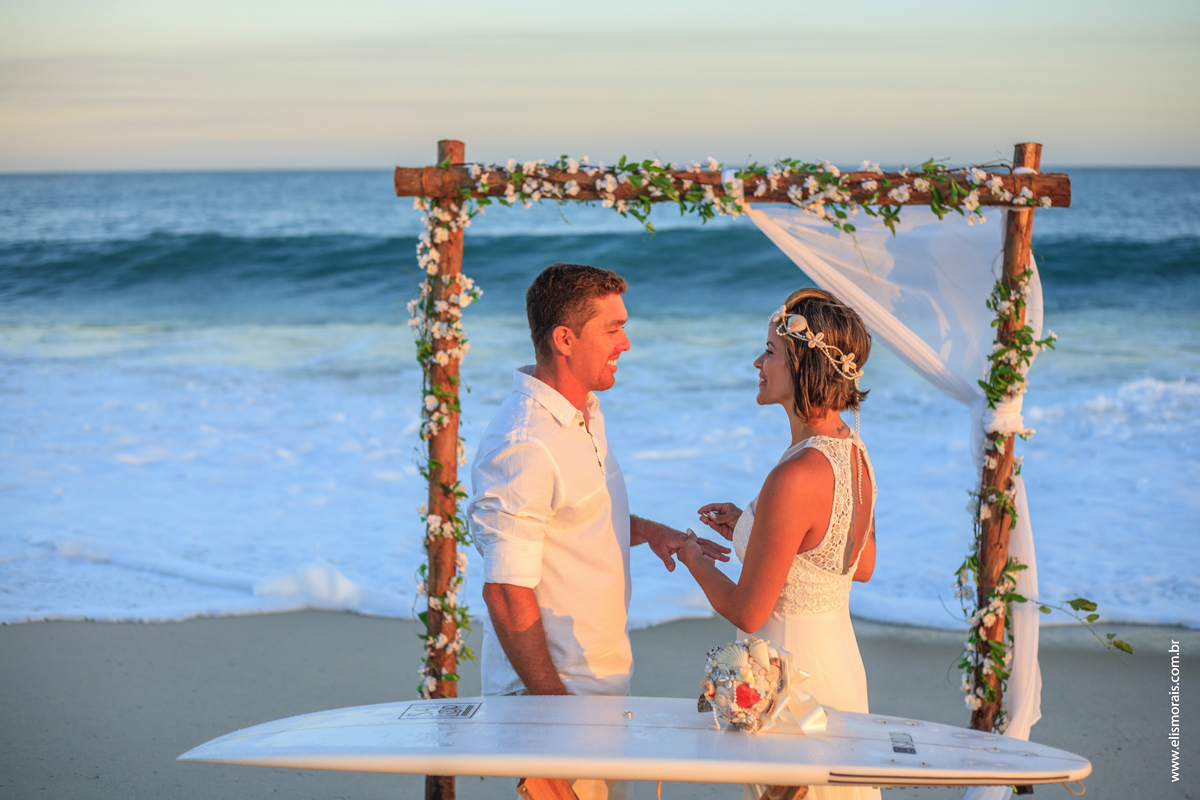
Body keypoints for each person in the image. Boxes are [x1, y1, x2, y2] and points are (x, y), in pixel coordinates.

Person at [467, 262, 729, 800]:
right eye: (612, 329)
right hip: (554, 704)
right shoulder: (524, 444)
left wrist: (653, 532)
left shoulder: (584, 411)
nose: (625, 343)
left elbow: (578, 517)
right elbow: (506, 593)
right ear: (565, 339)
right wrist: (557, 716)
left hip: (600, 691)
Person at [678, 287, 880, 800]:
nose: (758, 362)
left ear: (802, 366)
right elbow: (857, 564)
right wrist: (752, 528)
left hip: (792, 686)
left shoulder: (796, 475)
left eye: (769, 351)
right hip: (840, 664)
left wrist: (694, 559)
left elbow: (748, 612)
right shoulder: (854, 453)